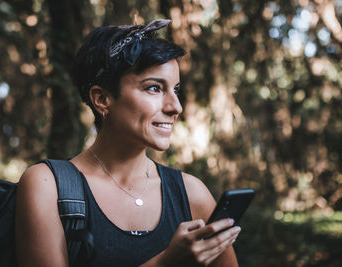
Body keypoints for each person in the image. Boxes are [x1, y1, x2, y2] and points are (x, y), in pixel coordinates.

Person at [15, 19, 240, 266]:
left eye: (175, 90)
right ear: (102, 99)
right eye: (154, 88)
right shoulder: (48, 186)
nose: (175, 107)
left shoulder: (191, 194)